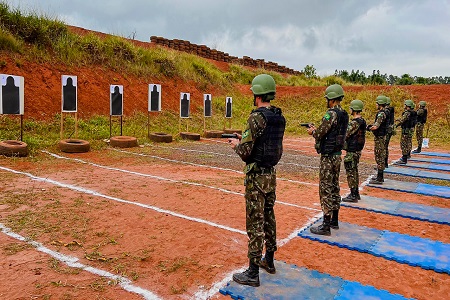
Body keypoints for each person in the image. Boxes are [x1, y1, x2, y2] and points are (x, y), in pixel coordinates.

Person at [228, 74, 286, 287]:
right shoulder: (278, 117)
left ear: (258, 94)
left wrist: (236, 144)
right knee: (269, 216)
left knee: (255, 221)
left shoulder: (256, 118)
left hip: (256, 177)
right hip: (271, 174)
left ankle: (253, 272)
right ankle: (269, 260)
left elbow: (246, 152)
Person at [307, 84, 348, 235]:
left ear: (331, 99)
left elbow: (320, 133)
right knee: (334, 186)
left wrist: (312, 131)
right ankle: (334, 220)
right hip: (337, 155)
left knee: (325, 188)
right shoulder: (344, 114)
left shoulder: (330, 114)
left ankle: (325, 225)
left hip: (328, 156)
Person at [342, 100, 366, 203]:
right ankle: (355, 193)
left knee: (351, 172)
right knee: (354, 172)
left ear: (354, 109)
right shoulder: (362, 121)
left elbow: (345, 133)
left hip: (352, 150)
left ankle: (353, 195)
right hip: (357, 150)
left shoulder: (355, 123)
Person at [367, 95, 389, 184]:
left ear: (380, 104)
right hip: (381, 137)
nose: (376, 105)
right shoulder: (384, 112)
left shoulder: (381, 113)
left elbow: (376, 126)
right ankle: (379, 177)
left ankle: (380, 178)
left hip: (380, 138)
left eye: (377, 103)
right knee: (380, 156)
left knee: (379, 156)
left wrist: (368, 128)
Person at [395, 100, 415, 164]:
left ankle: (404, 158)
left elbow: (402, 121)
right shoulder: (414, 112)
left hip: (406, 130)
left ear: (407, 106)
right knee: (409, 142)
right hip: (411, 129)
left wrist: (395, 125)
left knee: (403, 144)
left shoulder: (407, 113)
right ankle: (408, 154)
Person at [384, 97, 395, 167]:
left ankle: (384, 163)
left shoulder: (386, 111)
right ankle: (385, 163)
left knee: (384, 147)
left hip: (387, 130)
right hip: (390, 129)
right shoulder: (390, 109)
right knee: (385, 146)